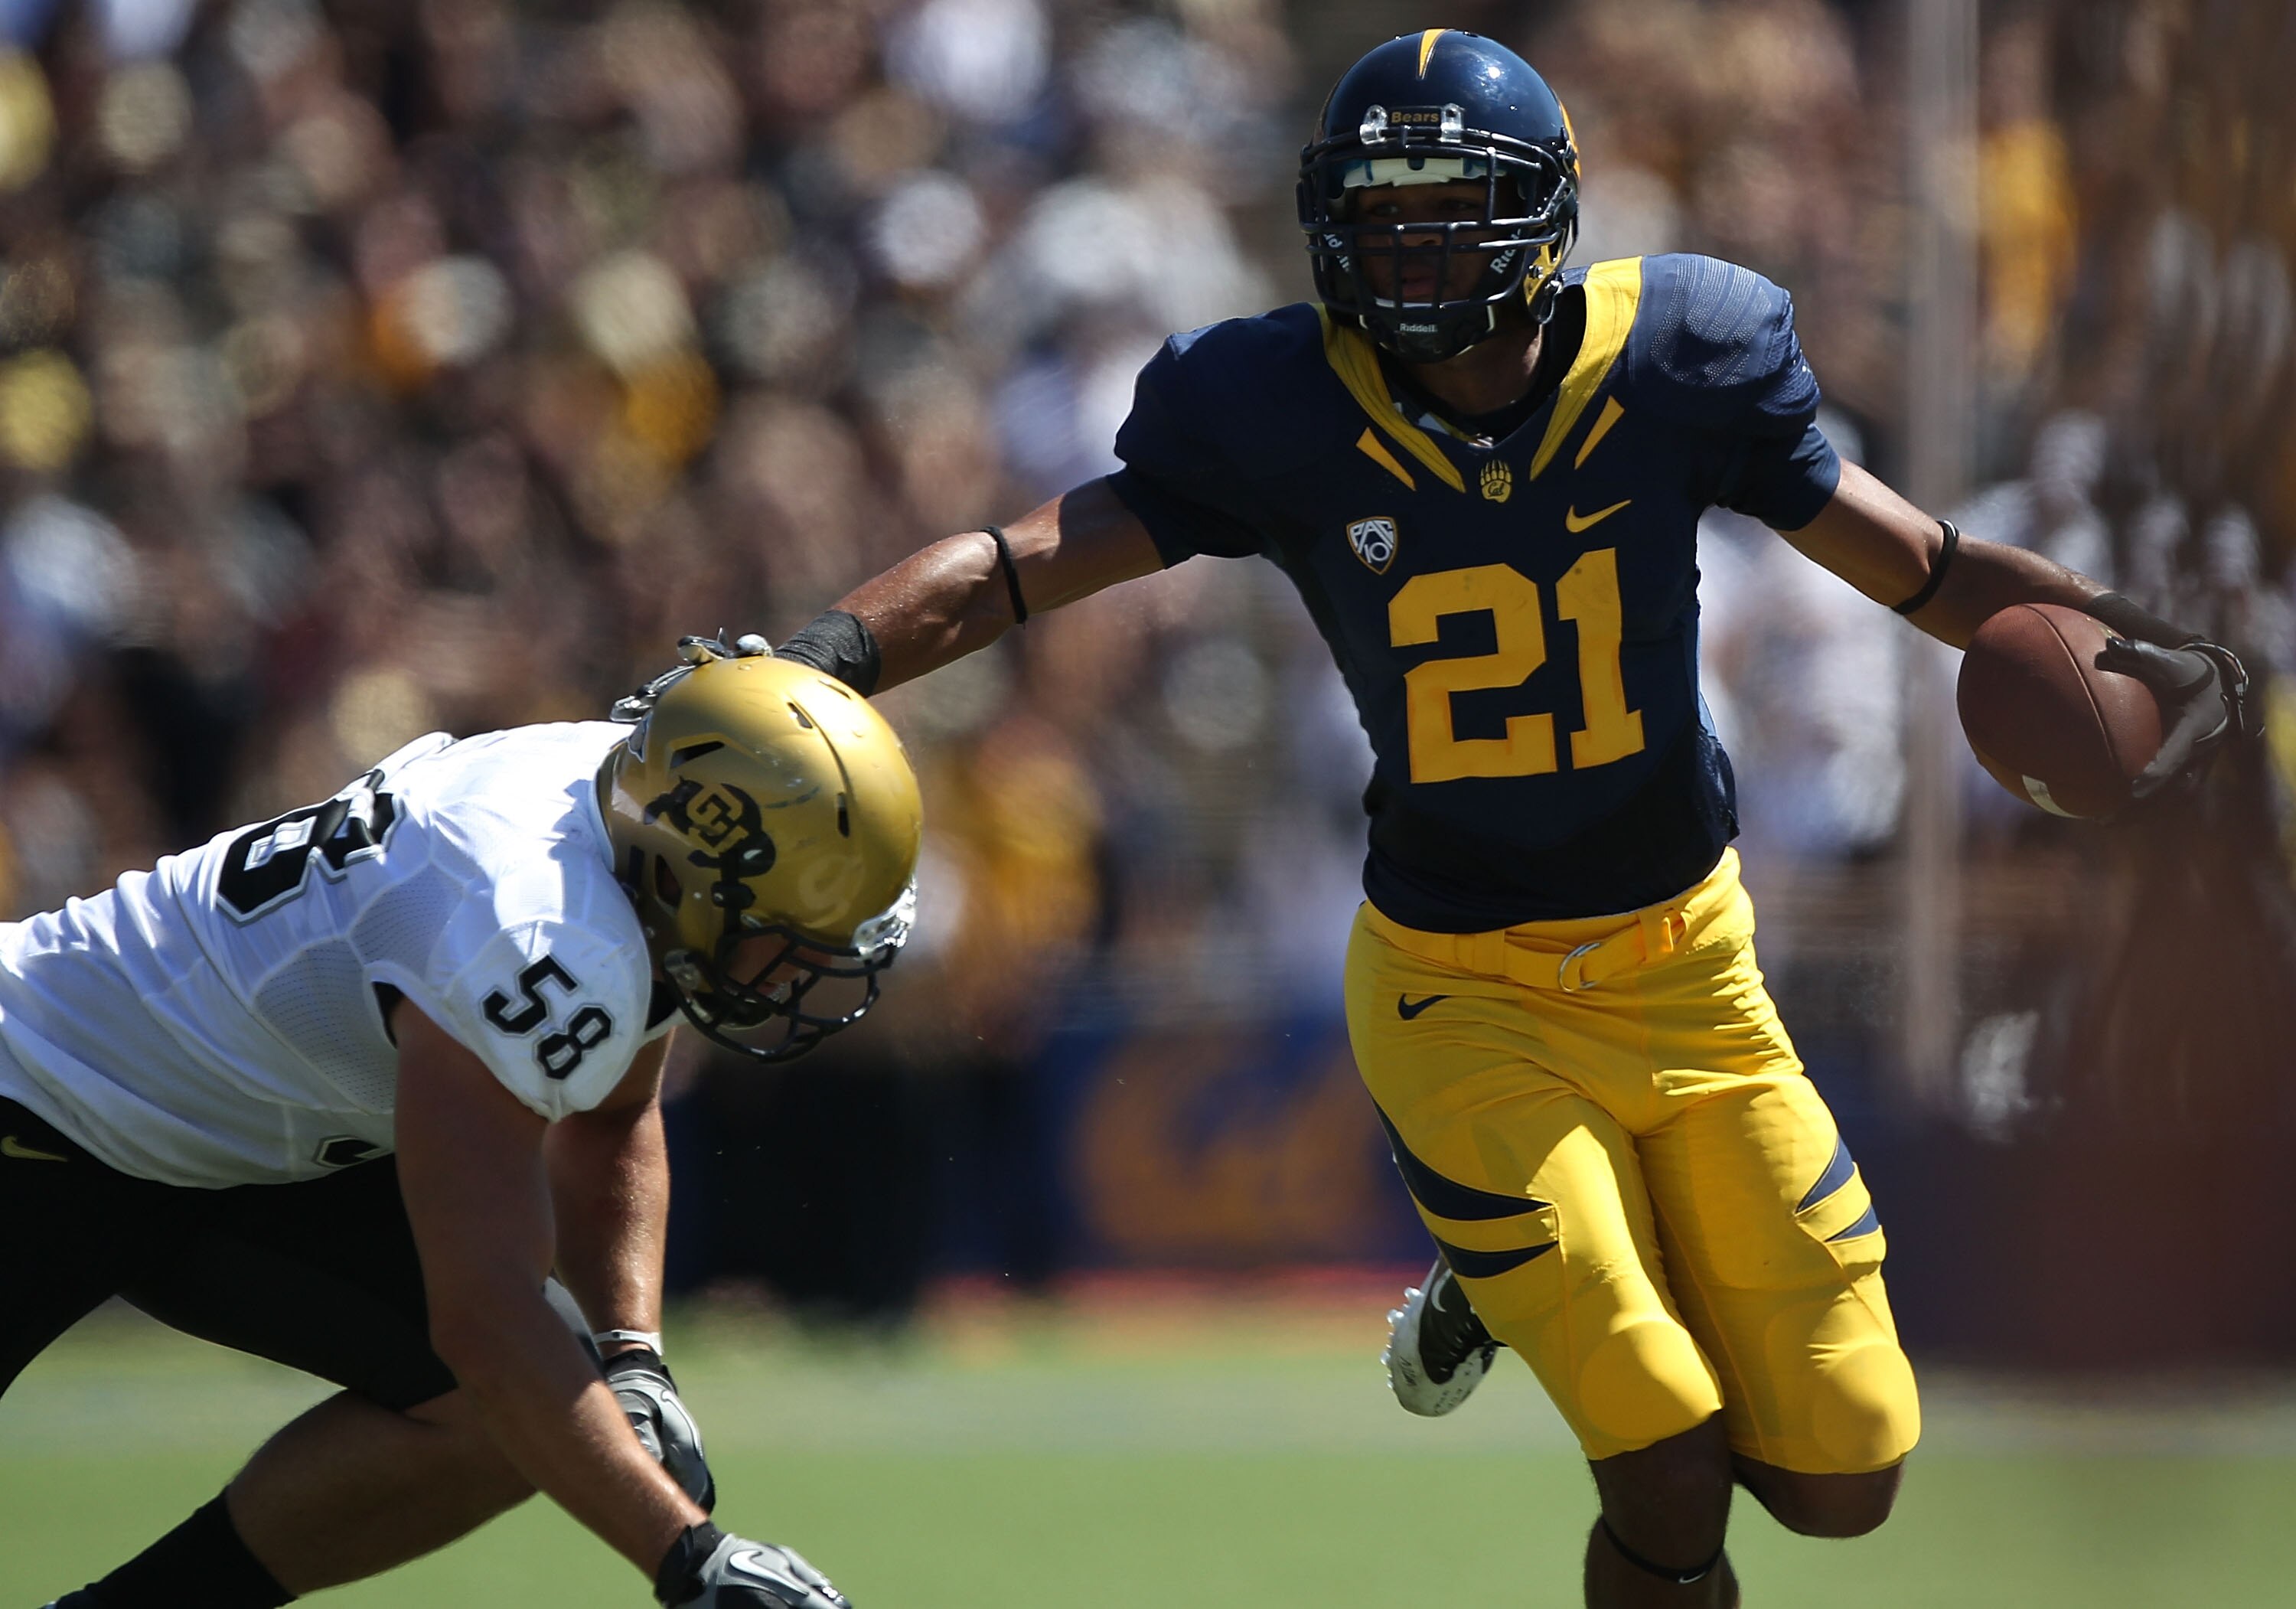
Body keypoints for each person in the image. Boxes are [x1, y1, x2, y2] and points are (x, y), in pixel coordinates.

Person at [766, 30, 2252, 1608]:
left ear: (1541, 218)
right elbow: (1023, 561)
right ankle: (1532, 1267)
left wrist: (2126, 633)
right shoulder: (1279, 406)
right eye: (1376, 212)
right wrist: (832, 654)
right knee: (1668, 1459)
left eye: (1443, 210)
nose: (1405, 248)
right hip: (1459, 991)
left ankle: (1506, 1265)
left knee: (1844, 1477)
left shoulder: (1681, 354)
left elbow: (1931, 564)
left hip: (1693, 967)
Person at [3, 640, 921, 1609]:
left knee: (521, 1413)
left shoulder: (624, 826)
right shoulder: (534, 925)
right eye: (783, 934)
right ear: (690, 872)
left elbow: (611, 1120)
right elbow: (486, 1316)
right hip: (34, 1112)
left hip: (235, 1137)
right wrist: (689, 1559)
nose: (790, 975)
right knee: (517, 1378)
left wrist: (631, 1351)